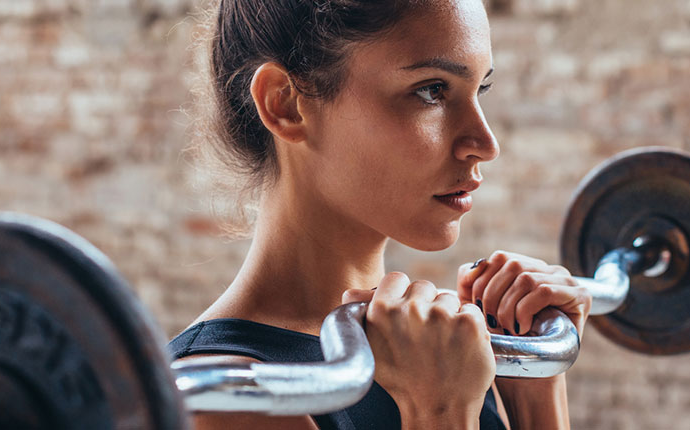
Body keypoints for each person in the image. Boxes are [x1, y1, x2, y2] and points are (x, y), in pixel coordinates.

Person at [169, 0, 592, 428]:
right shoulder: (225, 399)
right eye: (432, 90)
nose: (485, 143)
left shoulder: (439, 356)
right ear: (285, 104)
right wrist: (438, 413)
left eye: (479, 90)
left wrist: (537, 386)